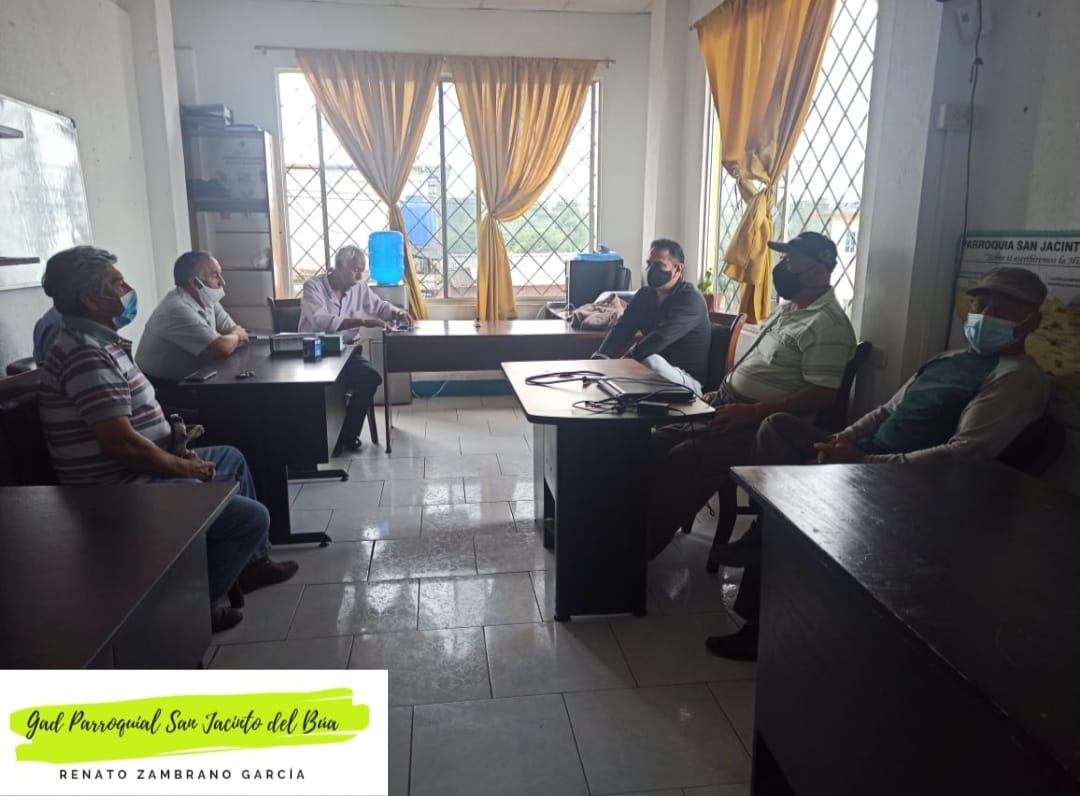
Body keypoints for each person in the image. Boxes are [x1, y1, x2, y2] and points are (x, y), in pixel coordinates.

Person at [705, 265, 1051, 662]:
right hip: (867, 456)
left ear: (1031, 322)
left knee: (788, 500)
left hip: (909, 484)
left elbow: (966, 453)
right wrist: (843, 439)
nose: (986, 315)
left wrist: (867, 461)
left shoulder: (1016, 379)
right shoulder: (948, 359)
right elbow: (887, 409)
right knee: (778, 427)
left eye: (1002, 309)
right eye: (980, 305)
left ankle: (760, 620)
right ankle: (765, 525)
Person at [37, 246, 298, 634]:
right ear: (90, 299)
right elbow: (120, 445)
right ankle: (191, 609)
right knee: (251, 518)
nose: (127, 289)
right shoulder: (86, 355)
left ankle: (251, 565)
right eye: (117, 283)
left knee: (231, 456)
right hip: (121, 487)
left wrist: (176, 451)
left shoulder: (101, 342)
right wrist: (184, 467)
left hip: (147, 462)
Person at [646, 231, 857, 560]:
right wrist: (723, 391)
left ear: (818, 272)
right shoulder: (789, 310)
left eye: (792, 262)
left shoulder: (827, 325)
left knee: (685, 458)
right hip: (729, 408)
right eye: (784, 259)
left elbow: (822, 395)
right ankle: (623, 530)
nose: (782, 268)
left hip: (764, 429)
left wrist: (753, 411)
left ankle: (637, 554)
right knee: (653, 441)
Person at [299, 245, 410, 454]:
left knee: (370, 377)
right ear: (339, 266)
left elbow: (379, 306)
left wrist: (397, 313)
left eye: (362, 271)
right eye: (355, 270)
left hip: (347, 352)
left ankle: (347, 435)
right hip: (316, 354)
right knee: (321, 390)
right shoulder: (313, 287)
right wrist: (362, 321)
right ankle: (317, 441)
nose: (359, 276)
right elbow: (321, 320)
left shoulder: (359, 288)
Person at [593, 239, 711, 394]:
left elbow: (660, 338)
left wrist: (626, 361)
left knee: (649, 360)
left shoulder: (691, 300)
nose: (651, 270)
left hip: (687, 380)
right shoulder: (644, 295)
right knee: (609, 380)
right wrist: (600, 359)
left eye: (659, 265)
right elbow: (622, 329)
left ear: (677, 269)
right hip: (649, 374)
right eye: (649, 264)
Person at [135, 251, 250, 382]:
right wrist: (235, 337)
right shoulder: (176, 308)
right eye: (215, 276)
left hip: (193, 378)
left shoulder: (208, 301)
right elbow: (224, 346)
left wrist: (232, 339)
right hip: (160, 385)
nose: (222, 282)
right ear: (195, 283)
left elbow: (238, 336)